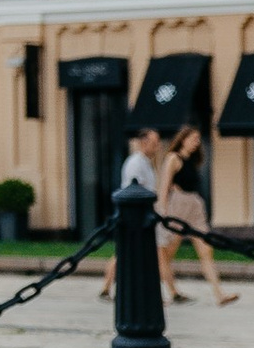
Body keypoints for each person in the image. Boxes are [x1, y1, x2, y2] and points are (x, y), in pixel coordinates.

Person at [160, 125, 237, 308]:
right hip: (178, 206)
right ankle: (167, 291)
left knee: (205, 250)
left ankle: (219, 293)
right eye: (193, 139)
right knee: (167, 254)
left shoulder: (193, 161)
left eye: (198, 140)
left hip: (195, 206)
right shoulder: (173, 158)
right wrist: (163, 213)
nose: (196, 143)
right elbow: (164, 187)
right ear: (183, 139)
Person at [98, 121, 173, 302]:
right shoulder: (135, 163)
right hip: (136, 215)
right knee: (127, 252)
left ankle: (108, 288)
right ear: (143, 142)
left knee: (134, 253)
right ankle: (107, 287)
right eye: (154, 143)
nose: (156, 147)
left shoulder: (146, 163)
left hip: (146, 214)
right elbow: (134, 191)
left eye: (157, 143)